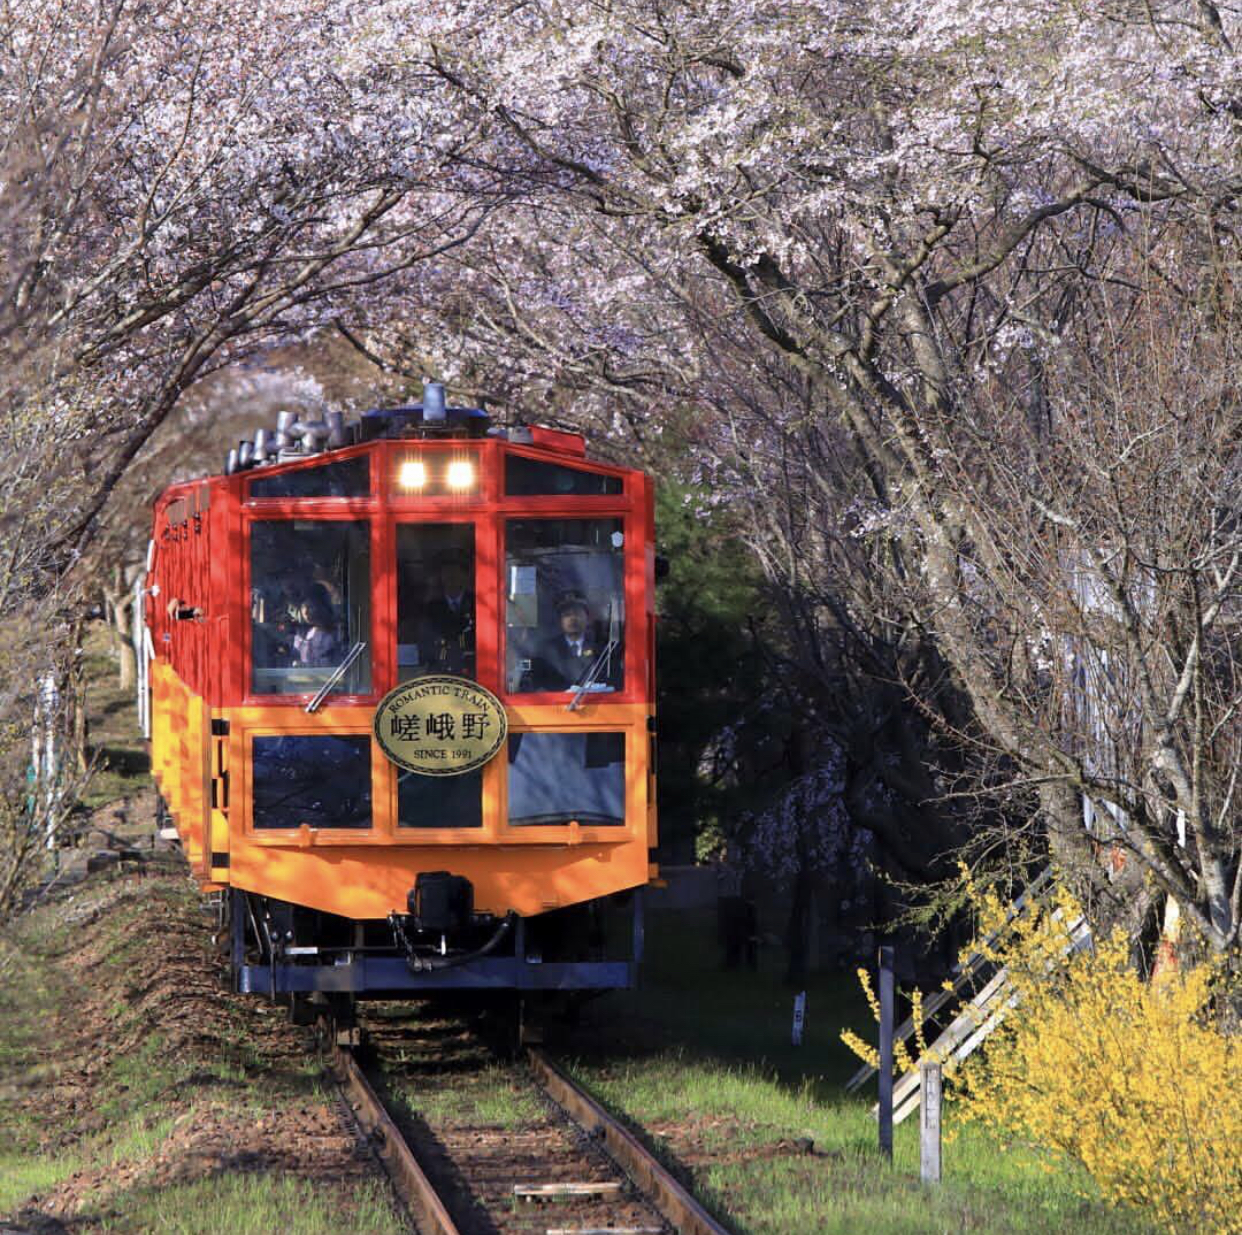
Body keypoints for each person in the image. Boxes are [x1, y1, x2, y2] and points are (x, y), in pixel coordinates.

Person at [530, 592, 613, 691]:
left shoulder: (601, 648)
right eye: (567, 615)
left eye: (578, 614)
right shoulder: (547, 651)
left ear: (587, 618)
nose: (572, 619)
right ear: (560, 620)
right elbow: (538, 686)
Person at [421, 555, 474, 674]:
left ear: (465, 577)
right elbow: (427, 642)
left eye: (456, 574)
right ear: (441, 578)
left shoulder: (476, 604)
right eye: (447, 574)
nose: (451, 579)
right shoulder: (432, 608)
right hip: (441, 670)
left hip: (472, 671)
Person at [293, 588, 341, 667]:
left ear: (322, 607)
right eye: (303, 607)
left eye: (310, 607)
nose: (306, 612)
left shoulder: (335, 633)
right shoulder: (302, 634)